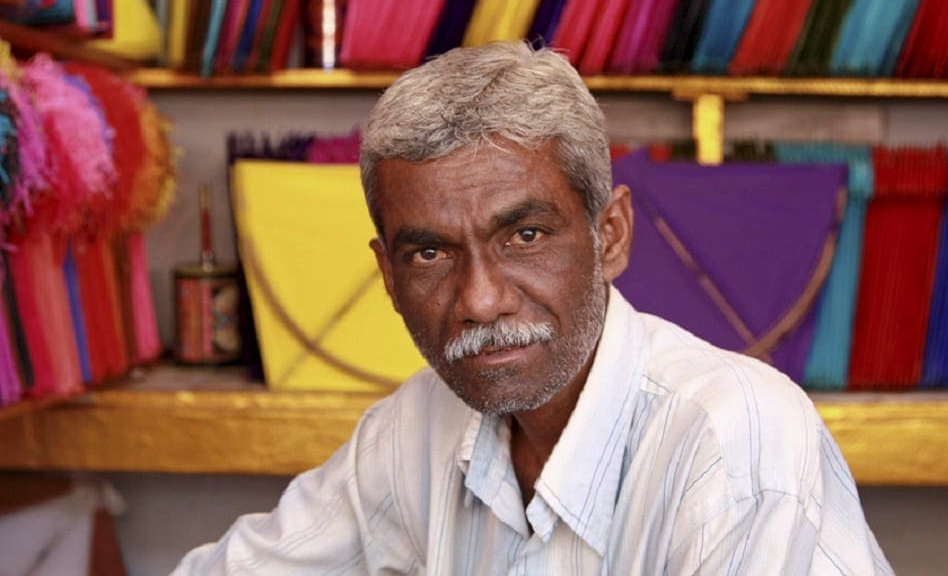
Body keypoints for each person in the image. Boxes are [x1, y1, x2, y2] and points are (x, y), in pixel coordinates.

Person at [173, 41, 892, 574]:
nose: (481, 298)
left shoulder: (735, 442)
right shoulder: (415, 429)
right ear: (388, 279)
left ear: (609, 235)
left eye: (524, 235)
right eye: (429, 254)